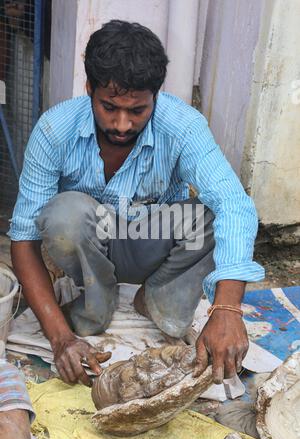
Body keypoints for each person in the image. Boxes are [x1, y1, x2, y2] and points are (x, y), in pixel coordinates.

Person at [8, 20, 265, 387]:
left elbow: (235, 206)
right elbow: (23, 239)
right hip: (88, 245)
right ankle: (93, 309)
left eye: (138, 110)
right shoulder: (54, 130)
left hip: (150, 241)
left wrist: (226, 309)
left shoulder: (183, 127)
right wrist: (60, 339)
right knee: (64, 214)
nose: (123, 124)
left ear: (155, 97)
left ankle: (158, 300)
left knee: (211, 216)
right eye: (109, 107)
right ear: (89, 89)